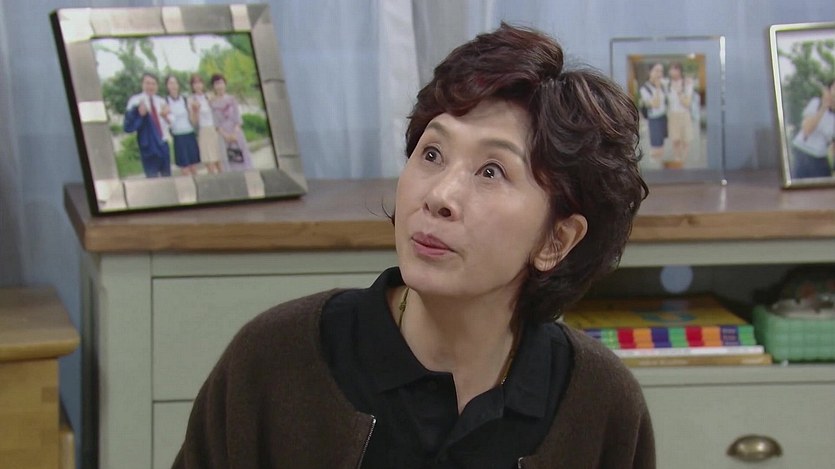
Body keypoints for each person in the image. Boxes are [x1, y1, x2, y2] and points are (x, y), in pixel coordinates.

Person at [173, 23, 654, 468]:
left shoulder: (601, 404)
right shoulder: (274, 360)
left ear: (556, 240)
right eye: (432, 153)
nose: (440, 196)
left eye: (491, 171)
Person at [123, 72, 171, 178]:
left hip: (163, 143)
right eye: (147, 83)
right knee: (152, 178)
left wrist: (166, 116)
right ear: (142, 84)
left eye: (153, 84)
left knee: (167, 177)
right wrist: (140, 115)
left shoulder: (161, 101)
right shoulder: (135, 101)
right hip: (148, 145)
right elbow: (128, 127)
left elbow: (171, 122)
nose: (150, 86)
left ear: (157, 86)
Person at [791, 79, 835, 179]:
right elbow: (807, 130)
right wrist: (823, 107)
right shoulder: (816, 103)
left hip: (820, 157)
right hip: (803, 153)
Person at [210, 73, 253, 171]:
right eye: (216, 84)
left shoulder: (232, 99)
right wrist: (226, 136)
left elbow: (238, 118)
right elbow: (216, 124)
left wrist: (234, 134)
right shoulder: (212, 103)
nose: (219, 86)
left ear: (225, 84)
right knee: (229, 162)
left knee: (243, 160)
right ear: (213, 87)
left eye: (221, 83)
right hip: (223, 136)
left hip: (236, 133)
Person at [164, 75, 201, 176]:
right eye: (170, 83)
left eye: (175, 83)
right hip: (178, 137)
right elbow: (167, 122)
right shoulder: (165, 101)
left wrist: (195, 111)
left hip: (189, 134)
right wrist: (165, 116)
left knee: (194, 167)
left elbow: (193, 120)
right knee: (184, 169)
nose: (173, 86)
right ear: (167, 86)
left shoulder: (185, 99)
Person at [188, 74, 223, 174]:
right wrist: (195, 111)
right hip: (203, 131)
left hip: (215, 130)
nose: (198, 85)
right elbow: (194, 122)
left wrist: (212, 102)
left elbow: (219, 113)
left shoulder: (210, 95)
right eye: (195, 83)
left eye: (199, 82)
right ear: (192, 86)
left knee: (220, 162)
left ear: (203, 84)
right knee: (210, 163)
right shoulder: (191, 100)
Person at [665, 63, 694, 169]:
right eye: (671, 70)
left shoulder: (687, 83)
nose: (672, 72)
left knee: (685, 139)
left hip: (684, 114)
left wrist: (679, 92)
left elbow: (687, 103)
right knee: (675, 139)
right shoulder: (667, 84)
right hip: (673, 114)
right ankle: (677, 159)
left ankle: (683, 159)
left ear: (679, 71)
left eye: (674, 70)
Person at [639, 62, 668, 162]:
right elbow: (655, 104)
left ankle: (660, 164)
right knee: (655, 146)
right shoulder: (645, 88)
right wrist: (658, 88)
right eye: (656, 71)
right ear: (650, 72)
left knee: (661, 144)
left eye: (661, 71)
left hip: (663, 117)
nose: (659, 74)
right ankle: (655, 166)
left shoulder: (663, 85)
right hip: (654, 119)